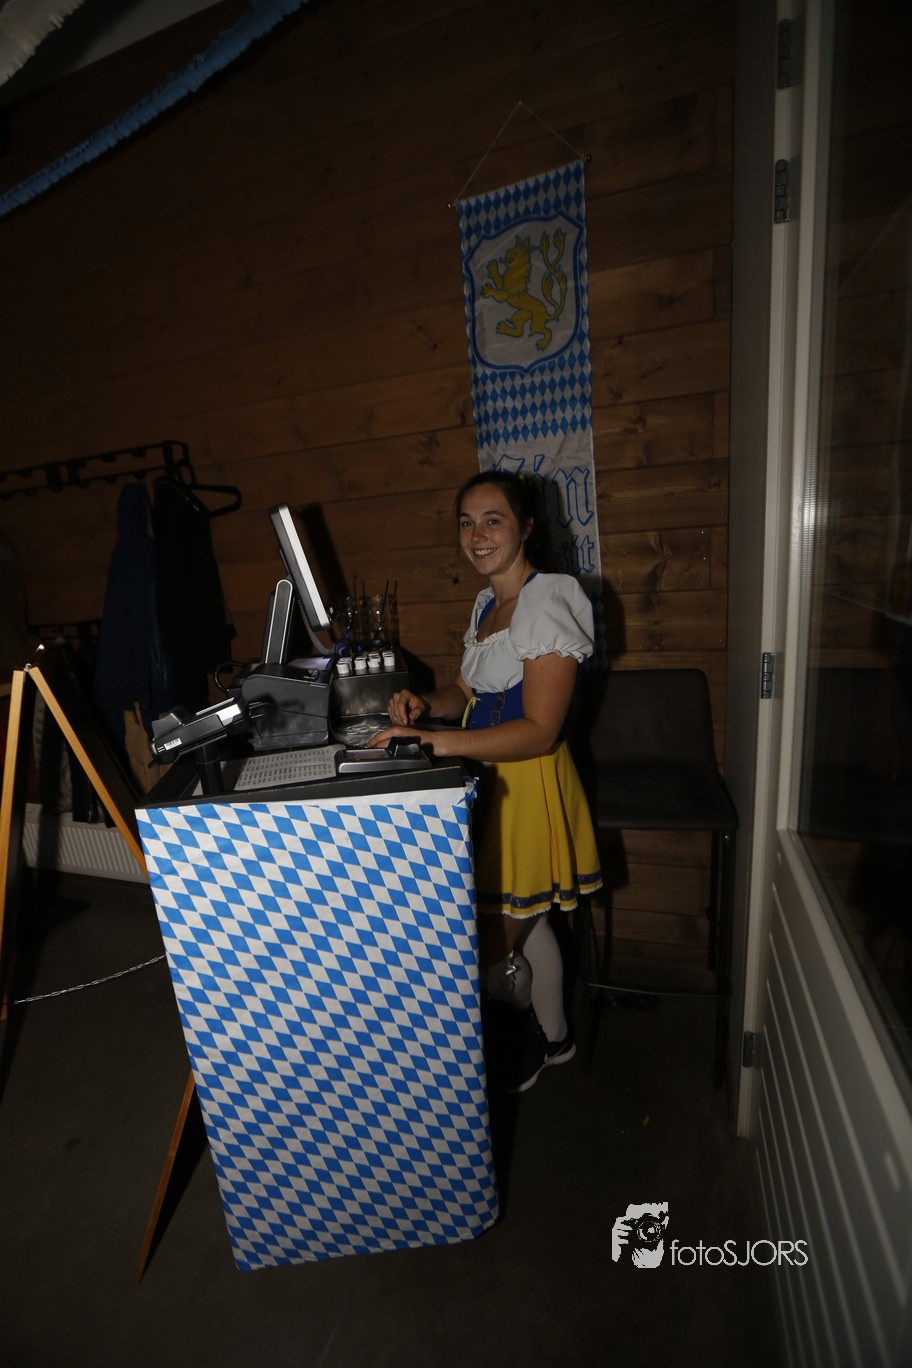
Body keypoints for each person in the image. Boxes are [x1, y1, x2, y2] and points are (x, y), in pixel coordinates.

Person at [369, 469, 603, 1092]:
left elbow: (540, 732)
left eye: (492, 520)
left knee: (487, 943)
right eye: (466, 523)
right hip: (490, 779)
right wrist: (426, 705)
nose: (477, 535)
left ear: (525, 527)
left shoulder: (548, 598)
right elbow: (465, 690)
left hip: (529, 786)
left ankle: (510, 1046)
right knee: (532, 919)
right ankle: (556, 1038)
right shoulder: (486, 605)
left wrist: (436, 741)